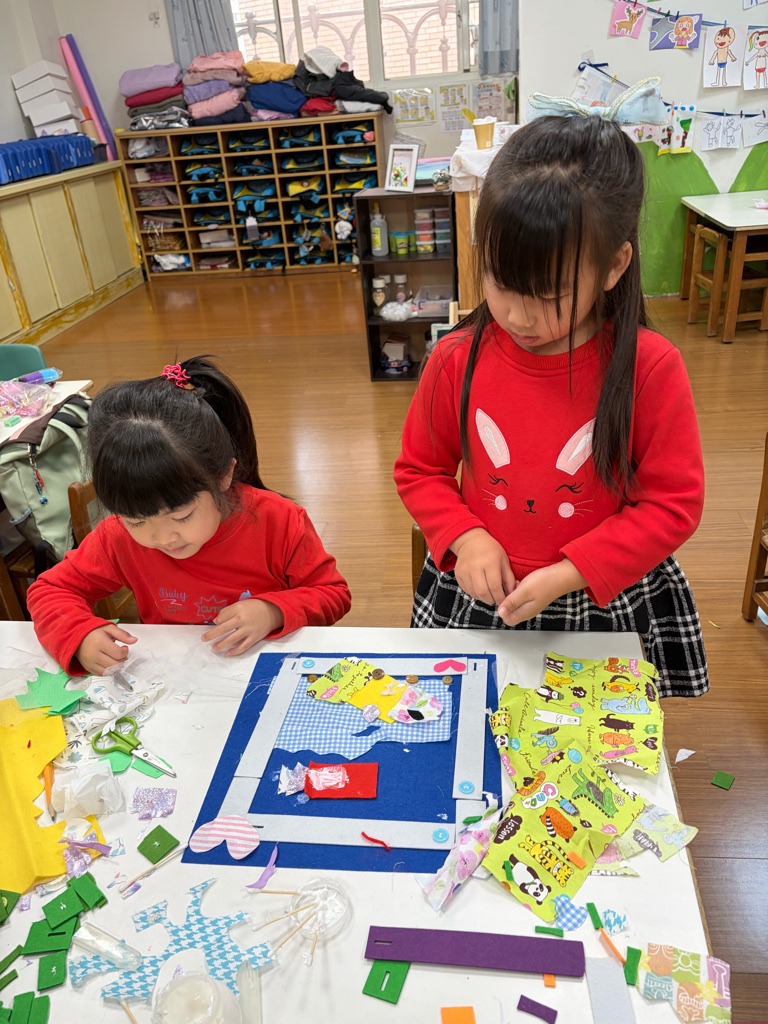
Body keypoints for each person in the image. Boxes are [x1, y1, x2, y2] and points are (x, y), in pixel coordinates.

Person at [394, 82, 708, 698]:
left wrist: (569, 572)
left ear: (614, 266)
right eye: (499, 281)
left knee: (588, 744)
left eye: (547, 295)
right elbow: (419, 470)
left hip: (598, 595)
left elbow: (673, 505)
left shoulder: (648, 368)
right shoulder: (456, 358)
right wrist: (466, 535)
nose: (516, 315)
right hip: (481, 590)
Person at [28, 356, 351, 675]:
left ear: (224, 476)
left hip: (266, 668)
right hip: (176, 679)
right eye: (136, 521)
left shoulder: (278, 520)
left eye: (181, 516)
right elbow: (50, 591)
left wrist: (273, 612)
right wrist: (78, 633)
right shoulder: (117, 537)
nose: (162, 538)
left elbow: (332, 594)